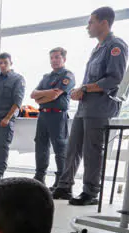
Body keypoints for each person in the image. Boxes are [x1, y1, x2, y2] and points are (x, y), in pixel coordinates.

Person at [53, 7, 128, 206]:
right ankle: (64, 186)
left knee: (92, 151)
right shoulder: (97, 49)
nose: (88, 26)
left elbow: (114, 79)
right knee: (73, 147)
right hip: (85, 107)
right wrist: (82, 90)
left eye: (91, 22)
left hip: (100, 108)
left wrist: (84, 88)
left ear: (104, 23)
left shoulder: (116, 46)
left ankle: (91, 192)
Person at [31, 48, 76, 189]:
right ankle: (39, 177)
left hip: (58, 115)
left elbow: (55, 95)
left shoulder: (67, 75)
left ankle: (61, 181)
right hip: (43, 115)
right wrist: (48, 93)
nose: (54, 60)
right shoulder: (46, 77)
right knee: (41, 146)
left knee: (60, 148)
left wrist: (42, 96)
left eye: (57, 57)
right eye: (52, 58)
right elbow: (33, 95)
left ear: (64, 59)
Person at [0, 53, 26, 183]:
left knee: (2, 146)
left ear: (11, 63)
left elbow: (17, 102)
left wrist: (7, 118)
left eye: (5, 63)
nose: (2, 65)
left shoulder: (18, 79)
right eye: (0, 63)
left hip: (6, 119)